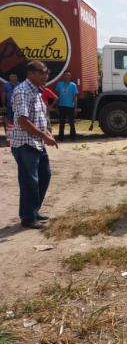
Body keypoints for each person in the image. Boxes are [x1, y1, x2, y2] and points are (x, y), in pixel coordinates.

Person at [11, 61, 58, 229]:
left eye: (47, 72)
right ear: (30, 73)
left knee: (45, 175)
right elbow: (22, 121)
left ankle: (34, 210)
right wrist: (43, 135)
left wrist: (48, 132)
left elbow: (42, 115)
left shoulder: (37, 91)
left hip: (37, 142)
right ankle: (28, 218)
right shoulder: (22, 91)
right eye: (42, 72)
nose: (46, 75)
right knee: (29, 181)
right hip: (25, 143)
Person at [54, 71, 78, 141]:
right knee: (61, 122)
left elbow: (75, 97)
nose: (67, 77)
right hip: (61, 106)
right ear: (63, 76)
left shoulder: (73, 85)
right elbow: (57, 96)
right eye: (65, 75)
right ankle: (61, 137)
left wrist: (75, 108)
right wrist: (56, 106)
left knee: (71, 122)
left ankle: (73, 137)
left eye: (68, 75)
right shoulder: (59, 84)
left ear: (70, 76)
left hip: (70, 106)